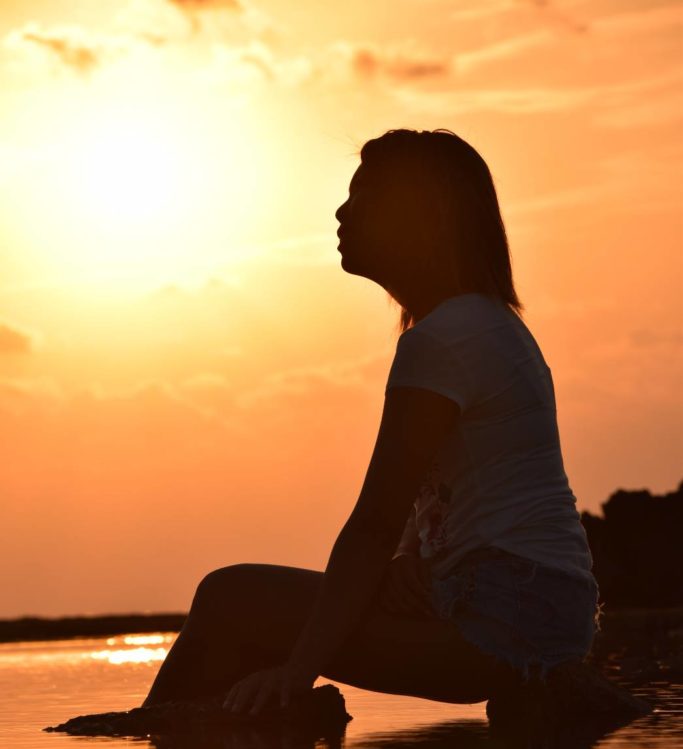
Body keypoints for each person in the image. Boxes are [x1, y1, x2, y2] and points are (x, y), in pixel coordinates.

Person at [142, 127, 600, 716]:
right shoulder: (480, 324)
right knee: (258, 609)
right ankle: (228, 744)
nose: (341, 211)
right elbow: (439, 499)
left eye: (362, 198)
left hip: (501, 618)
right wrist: (412, 560)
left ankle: (170, 735)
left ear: (419, 218)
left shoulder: (445, 338)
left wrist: (297, 670)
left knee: (229, 597)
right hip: (533, 609)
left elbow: (373, 523)